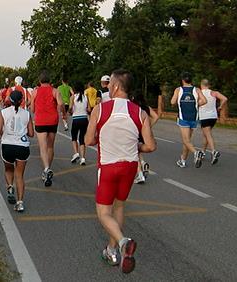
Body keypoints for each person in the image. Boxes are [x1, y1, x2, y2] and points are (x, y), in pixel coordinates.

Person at [85, 69, 156, 274]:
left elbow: (88, 140)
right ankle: (111, 250)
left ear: (115, 86)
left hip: (108, 165)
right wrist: (135, 146)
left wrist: (103, 139)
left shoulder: (101, 109)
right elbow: (150, 146)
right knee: (119, 206)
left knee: (103, 213)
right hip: (130, 166)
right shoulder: (139, 112)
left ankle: (124, 242)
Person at [0, 90, 34, 212]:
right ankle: (20, 202)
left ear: (10, 100)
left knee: (8, 169)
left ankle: (10, 186)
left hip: (7, 144)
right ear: (22, 101)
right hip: (22, 146)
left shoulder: (3, 112)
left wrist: (4, 135)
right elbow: (32, 133)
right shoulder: (27, 114)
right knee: (20, 175)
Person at [31, 70, 64, 186]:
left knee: (43, 147)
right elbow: (60, 104)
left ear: (40, 81)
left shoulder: (35, 92)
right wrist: (62, 113)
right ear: (49, 81)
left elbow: (32, 109)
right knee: (50, 146)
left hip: (40, 120)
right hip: (52, 120)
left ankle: (46, 169)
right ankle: (48, 168)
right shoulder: (55, 91)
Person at [171, 72, 207, 168]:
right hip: (194, 118)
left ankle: (196, 153)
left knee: (186, 140)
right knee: (188, 140)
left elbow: (172, 102)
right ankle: (183, 160)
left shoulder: (178, 89)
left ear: (182, 80)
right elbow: (204, 101)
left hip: (183, 118)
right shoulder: (197, 89)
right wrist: (195, 104)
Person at [131, 94, 159, 184]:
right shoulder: (147, 107)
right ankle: (142, 163)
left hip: (136, 131)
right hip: (145, 132)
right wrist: (149, 126)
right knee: (137, 151)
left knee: (134, 151)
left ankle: (140, 174)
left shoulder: (133, 107)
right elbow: (156, 116)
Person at [198, 79, 228, 165]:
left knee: (207, 134)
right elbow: (225, 99)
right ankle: (203, 153)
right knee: (206, 135)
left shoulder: (199, 93)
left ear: (201, 85)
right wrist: (220, 106)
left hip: (204, 117)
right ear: (209, 85)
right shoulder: (214, 93)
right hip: (213, 117)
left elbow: (198, 103)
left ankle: (213, 151)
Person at [68, 82, 90, 165]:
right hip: (84, 119)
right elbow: (89, 109)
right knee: (82, 138)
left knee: (74, 136)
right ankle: (83, 158)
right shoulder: (85, 96)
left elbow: (70, 108)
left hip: (76, 119)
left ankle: (76, 153)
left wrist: (70, 111)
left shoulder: (73, 97)